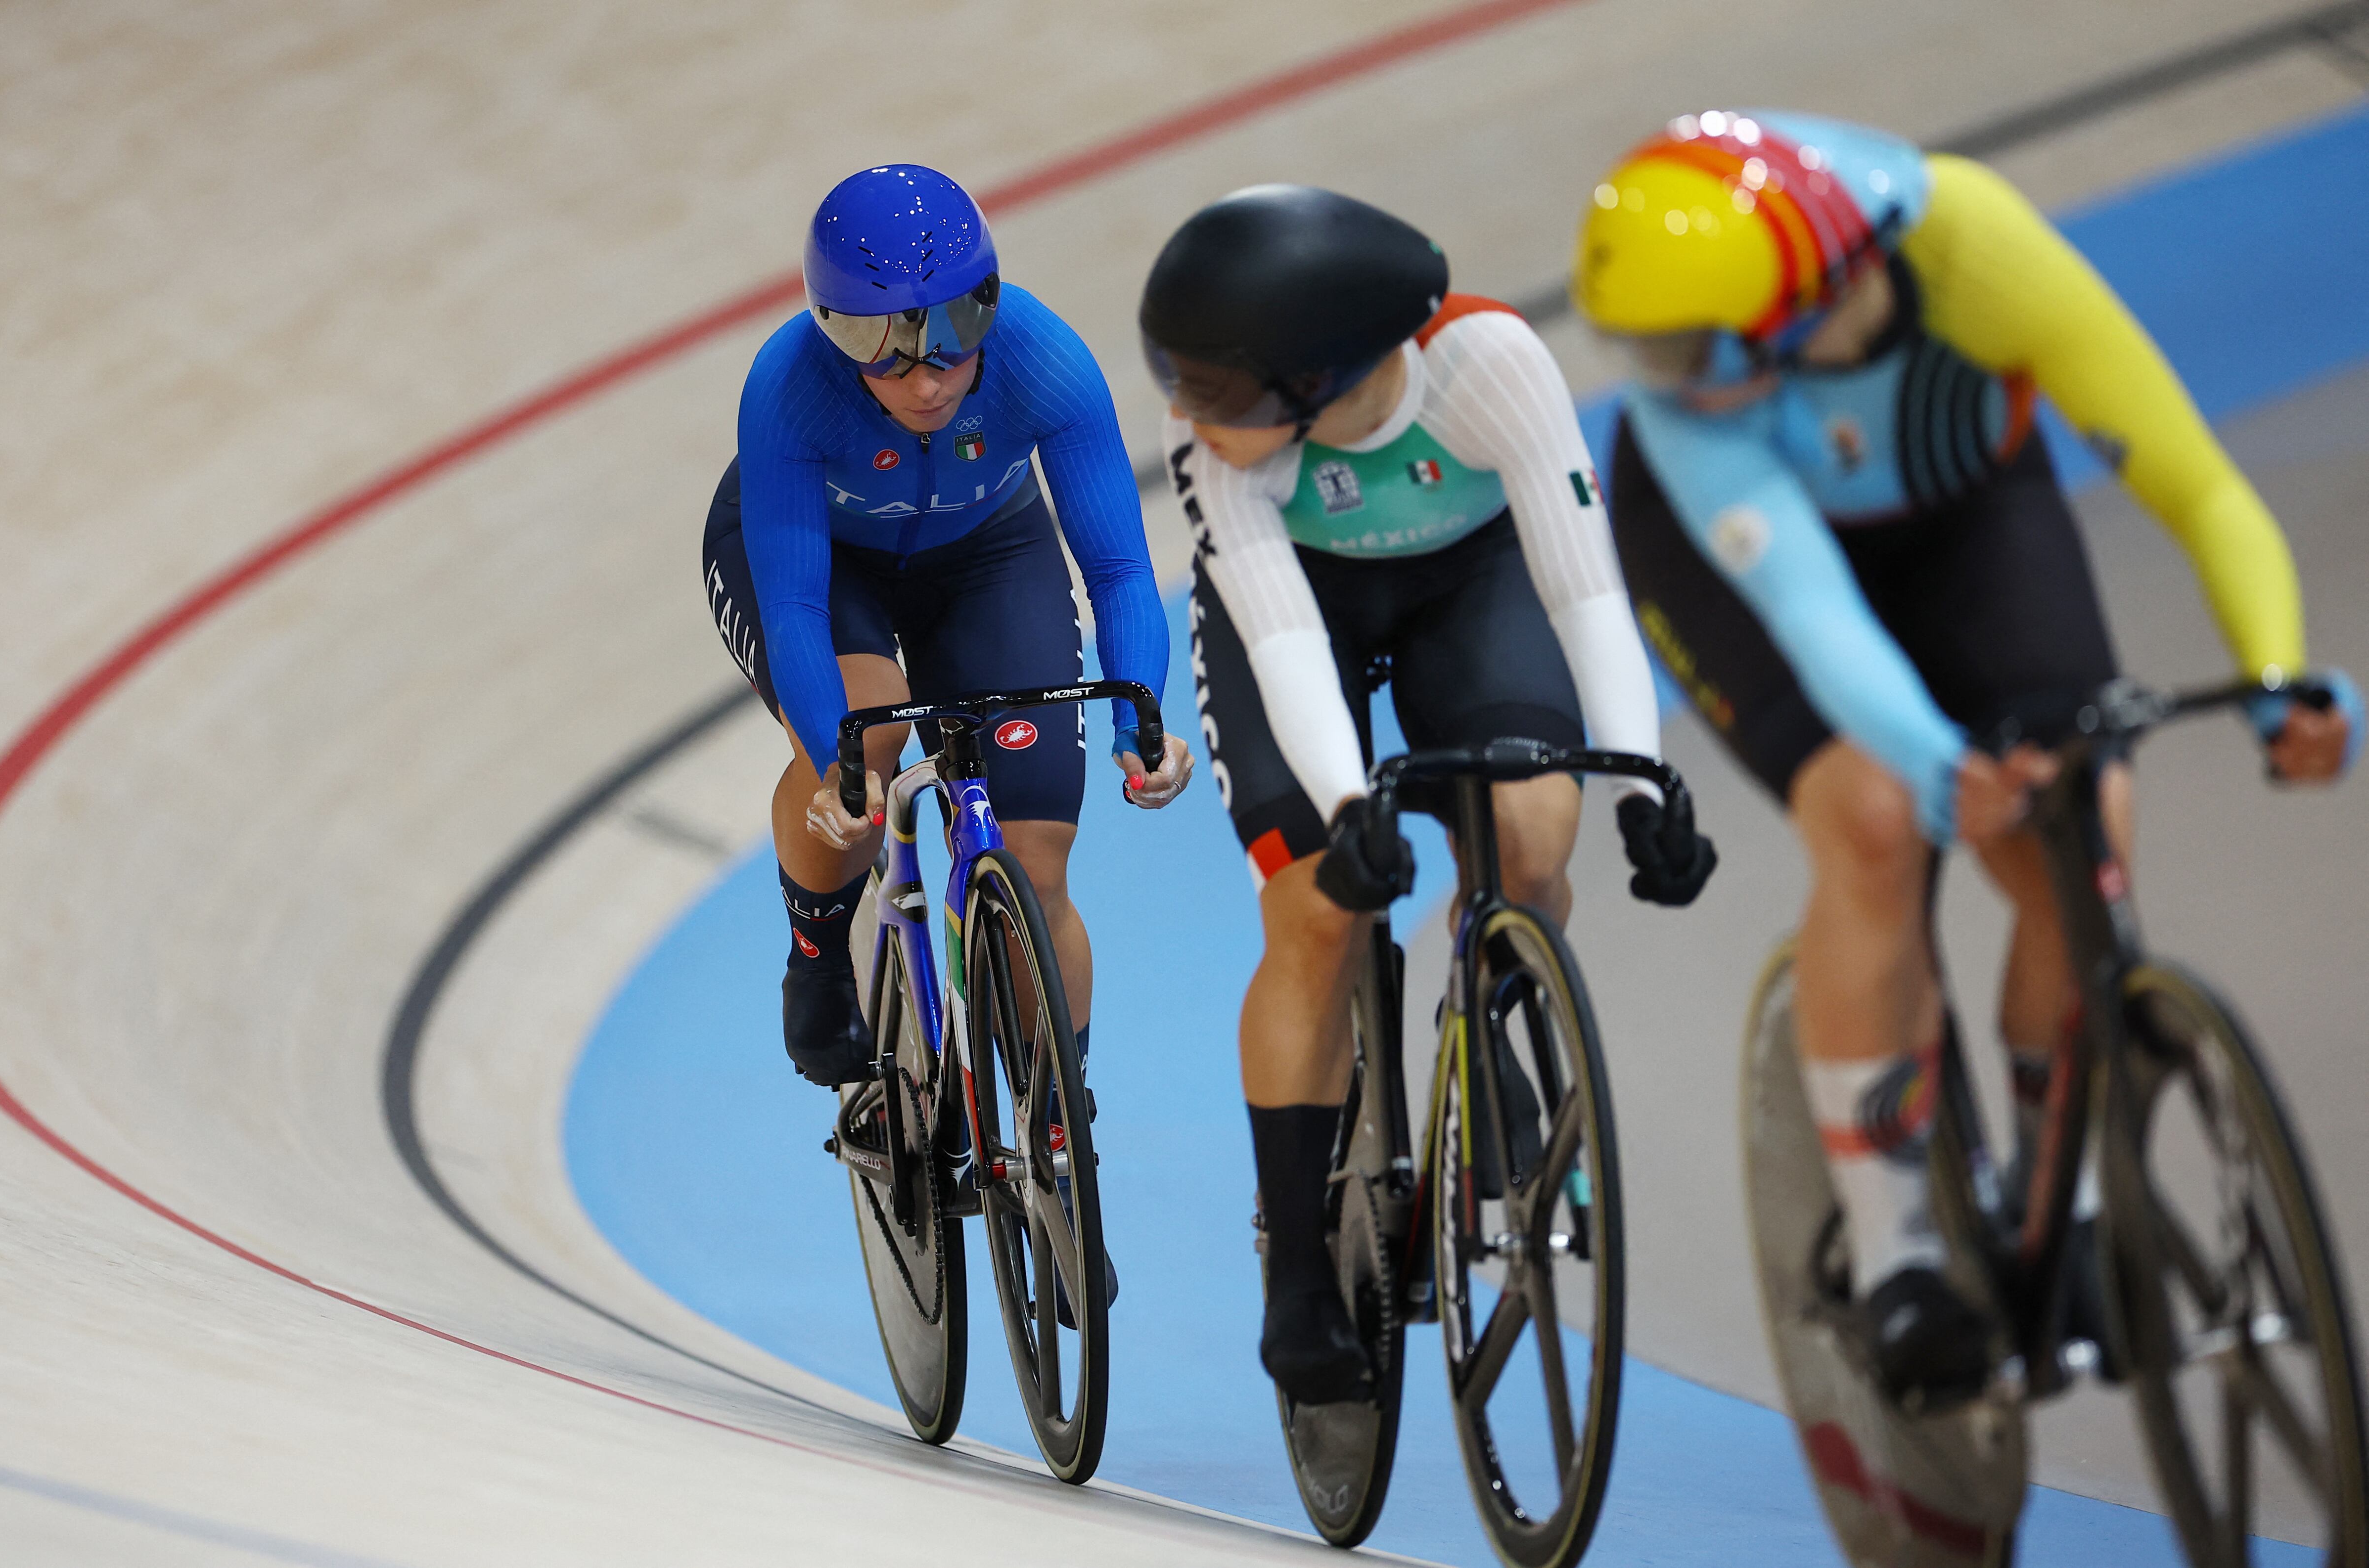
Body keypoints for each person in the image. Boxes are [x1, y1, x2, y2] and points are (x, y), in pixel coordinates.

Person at [1570, 110, 2361, 1404]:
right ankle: (1900, 1260)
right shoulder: (1685, 420)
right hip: (1740, 559)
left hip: (1960, 508)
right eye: (1637, 351)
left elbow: (2197, 483)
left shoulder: (1976, 246)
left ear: (1810, 289)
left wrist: (2281, 677)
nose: (1659, 376)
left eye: (1684, 345)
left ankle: (2079, 1197)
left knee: (2082, 814)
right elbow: (1819, 618)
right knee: (1875, 819)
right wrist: (1936, 761)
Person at [1140, 185, 1716, 1405]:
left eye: (1213, 387)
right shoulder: (1226, 461)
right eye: (1174, 379)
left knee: (1533, 820)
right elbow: (1285, 640)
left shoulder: (1488, 362)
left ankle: (1486, 996)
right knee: (1315, 911)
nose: (1183, 412)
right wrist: (1352, 810)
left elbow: (1584, 589)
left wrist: (1639, 776)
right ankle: (1297, 1269)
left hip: (1473, 583)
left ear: (1323, 377)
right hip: (1296, 611)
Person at [706, 163, 1195, 1090]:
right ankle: (816, 953)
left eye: (954, 333)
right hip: (827, 564)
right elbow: (800, 605)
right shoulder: (788, 387)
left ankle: (1057, 1136)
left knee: (1037, 866)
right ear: (828, 331)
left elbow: (1124, 568)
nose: (924, 378)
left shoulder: (1044, 358)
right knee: (871, 735)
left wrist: (1143, 715)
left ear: (991, 301)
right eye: (879, 346)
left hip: (985, 556)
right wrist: (835, 763)